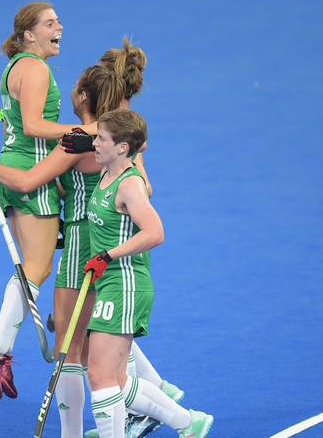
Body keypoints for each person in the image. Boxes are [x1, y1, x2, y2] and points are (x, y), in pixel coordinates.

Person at [0, 0, 99, 401]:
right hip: (31, 175)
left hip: (24, 167)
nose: (59, 26)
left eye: (59, 20)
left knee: (35, 267)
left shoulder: (17, 68)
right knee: (38, 268)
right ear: (29, 34)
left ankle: (0, 349)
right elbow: (34, 126)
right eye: (49, 22)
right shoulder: (36, 67)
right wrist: (89, 130)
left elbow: (19, 124)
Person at [82, 108, 212, 438]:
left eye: (101, 138)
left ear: (123, 147)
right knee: (117, 379)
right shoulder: (106, 172)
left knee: (100, 375)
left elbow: (155, 232)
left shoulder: (128, 185)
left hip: (124, 284)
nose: (93, 142)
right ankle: (190, 423)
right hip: (112, 282)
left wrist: (107, 255)